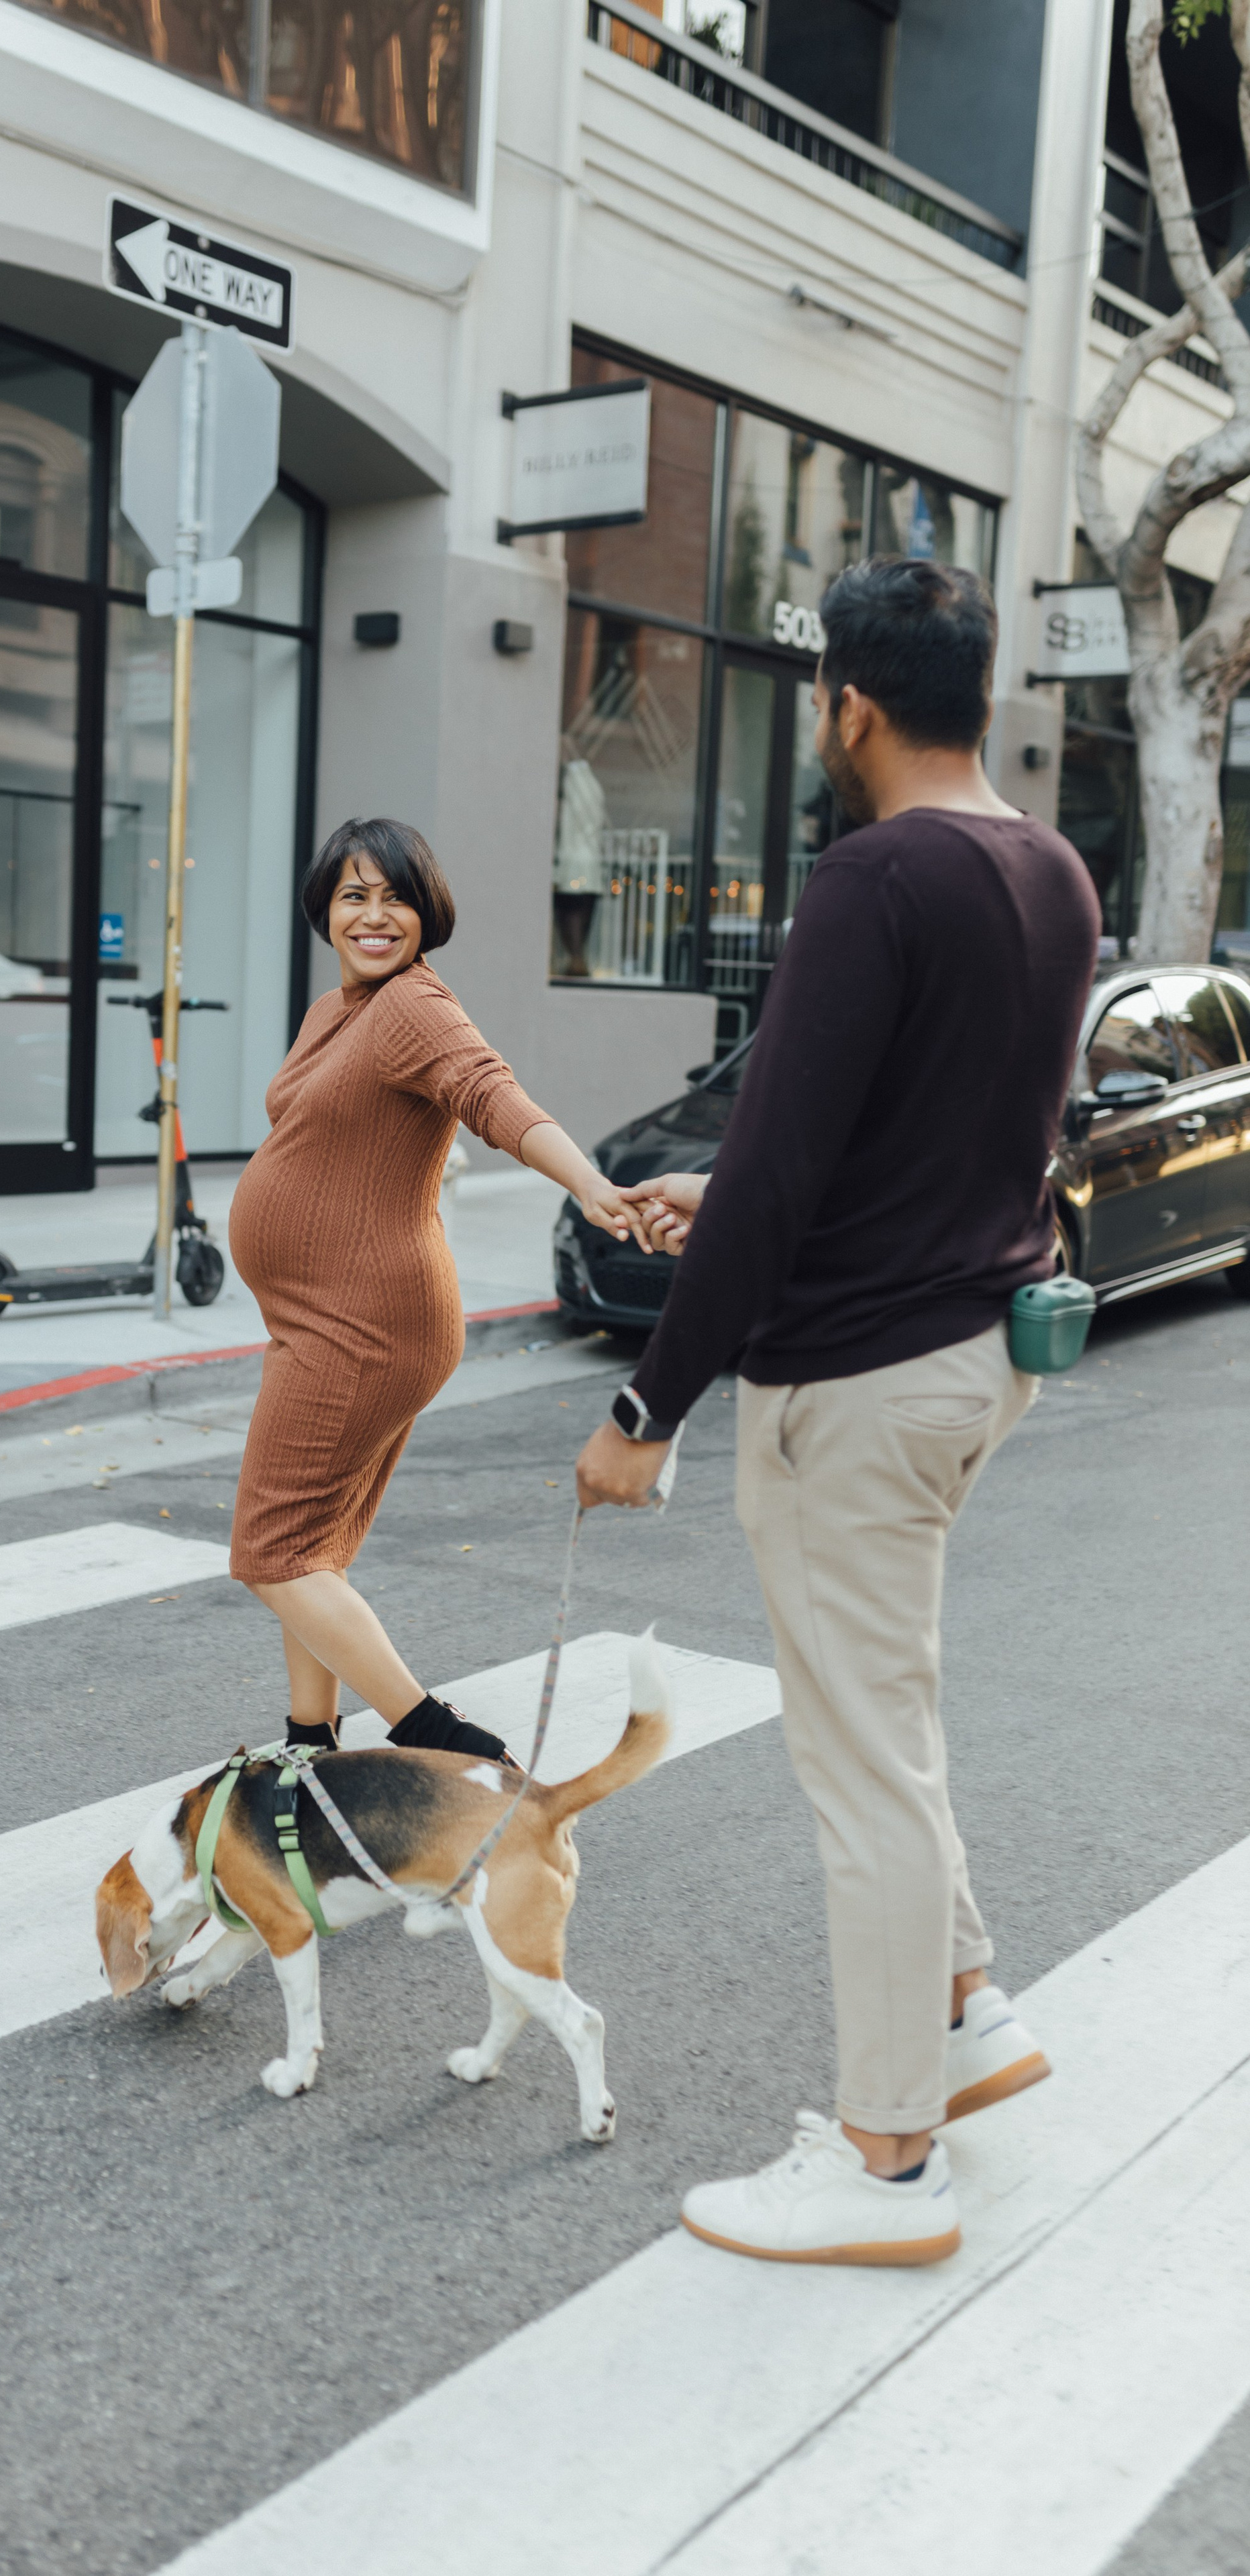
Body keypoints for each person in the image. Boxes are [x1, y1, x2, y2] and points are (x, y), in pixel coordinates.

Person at [574, 558, 1100, 2265]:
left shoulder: (874, 878)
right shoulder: (1052, 868)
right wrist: (720, 1192)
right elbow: (937, 1127)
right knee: (893, 1717)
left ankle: (884, 2165)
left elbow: (799, 1160)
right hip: (972, 1356)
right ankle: (959, 2011)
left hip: (858, 1384)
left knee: (859, 1762)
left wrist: (644, 1410)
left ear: (847, 706)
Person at [231, 816, 639, 1764]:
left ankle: (438, 1739)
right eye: (353, 896)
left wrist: (585, 1183)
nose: (375, 916)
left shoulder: (414, 1005)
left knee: (272, 1550)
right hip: (322, 1316)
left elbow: (493, 1097)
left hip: (363, 1321)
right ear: (324, 912)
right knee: (312, 1545)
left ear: (428, 913)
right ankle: (308, 1740)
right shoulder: (340, 1010)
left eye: (396, 897)